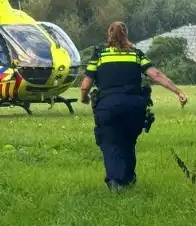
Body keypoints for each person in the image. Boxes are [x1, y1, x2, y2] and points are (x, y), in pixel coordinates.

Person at [79, 21, 187, 191]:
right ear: (126, 35)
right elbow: (156, 74)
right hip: (134, 106)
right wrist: (178, 92)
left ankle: (115, 182)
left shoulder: (99, 55)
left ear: (109, 35)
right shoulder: (136, 54)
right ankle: (128, 180)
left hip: (108, 105)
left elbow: (85, 85)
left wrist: (84, 98)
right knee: (128, 142)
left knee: (111, 142)